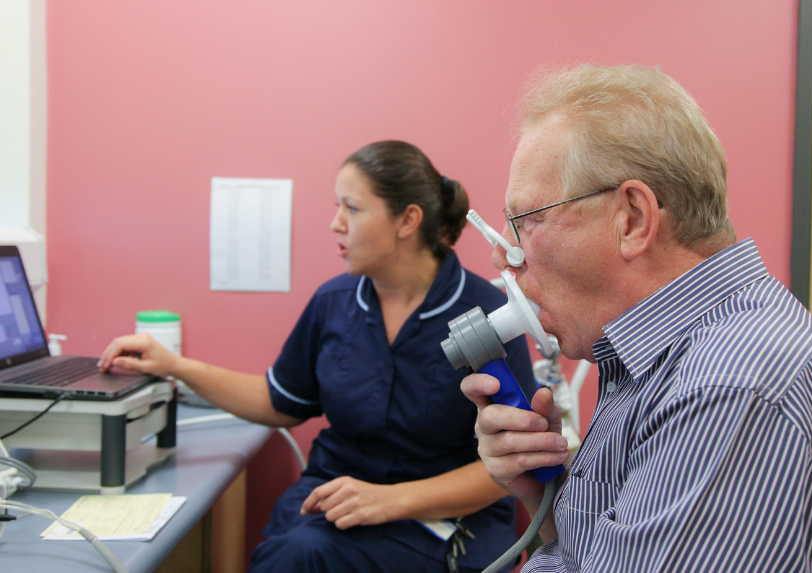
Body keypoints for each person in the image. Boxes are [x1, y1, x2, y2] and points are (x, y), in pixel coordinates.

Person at [460, 64, 812, 573]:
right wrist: (540, 490)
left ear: (632, 218)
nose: (504, 257)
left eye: (528, 221)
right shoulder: (656, 357)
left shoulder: (729, 387)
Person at [99, 140, 537, 573]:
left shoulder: (485, 316)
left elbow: (513, 458)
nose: (335, 223)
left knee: (302, 556)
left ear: (407, 220)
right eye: (337, 207)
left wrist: (391, 500)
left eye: (352, 208)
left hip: (446, 526)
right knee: (296, 551)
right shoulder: (334, 303)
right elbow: (279, 401)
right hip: (335, 505)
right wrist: (173, 366)